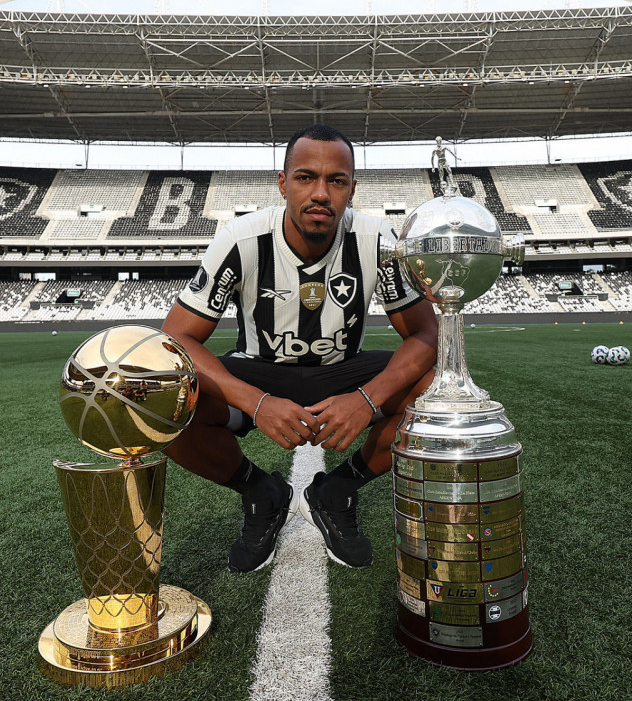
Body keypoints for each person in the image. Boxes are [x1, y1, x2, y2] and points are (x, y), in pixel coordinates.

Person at [162, 124, 437, 572]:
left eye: (337, 180)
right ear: (282, 183)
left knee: (437, 391)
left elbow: (426, 335)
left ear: (353, 189)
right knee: (166, 398)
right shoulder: (242, 239)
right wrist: (258, 402)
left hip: (342, 371)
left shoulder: (378, 240)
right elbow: (176, 339)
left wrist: (366, 400)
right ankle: (260, 491)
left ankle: (338, 489)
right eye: (306, 177)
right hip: (260, 369)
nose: (321, 194)